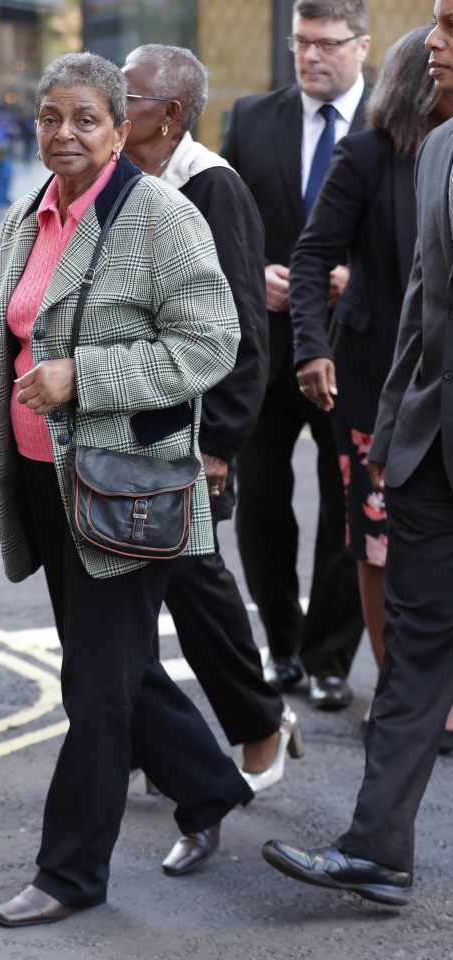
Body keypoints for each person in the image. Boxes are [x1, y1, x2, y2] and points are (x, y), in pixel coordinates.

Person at [0, 52, 252, 927]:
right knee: (115, 668)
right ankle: (210, 785)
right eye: (48, 117)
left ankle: (71, 873)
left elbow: (210, 344)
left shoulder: (163, 219)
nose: (64, 134)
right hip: (45, 481)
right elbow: (6, 358)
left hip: (128, 489)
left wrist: (88, 376)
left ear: (122, 129)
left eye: (84, 118)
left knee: (98, 689)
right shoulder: (24, 219)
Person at [260, 3, 453, 907]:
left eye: (451, 24)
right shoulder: (416, 156)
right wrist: (392, 420)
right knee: (411, 644)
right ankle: (376, 848)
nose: (438, 43)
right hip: (413, 431)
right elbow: (421, 307)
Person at [121, 43, 303, 792]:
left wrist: (222, 444)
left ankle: (260, 726)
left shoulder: (212, 188)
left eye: (124, 93)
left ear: (169, 114)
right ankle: (149, 741)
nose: (110, 98)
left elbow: (240, 330)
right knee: (125, 588)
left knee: (194, 586)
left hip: (190, 433)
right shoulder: (122, 178)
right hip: (127, 418)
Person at [288, 24, 453, 747]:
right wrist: (311, 349)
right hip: (375, 385)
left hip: (437, 389)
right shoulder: (367, 156)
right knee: (378, 542)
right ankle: (395, 689)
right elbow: (311, 257)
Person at [220, 0, 370, 710]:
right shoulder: (251, 119)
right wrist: (256, 277)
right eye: (300, 42)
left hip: (353, 351)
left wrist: (356, 279)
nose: (311, 56)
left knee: (346, 505)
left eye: (327, 44)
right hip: (267, 350)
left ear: (362, 47)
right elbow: (221, 229)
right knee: (262, 508)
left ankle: (329, 658)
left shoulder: (397, 123)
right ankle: (281, 647)